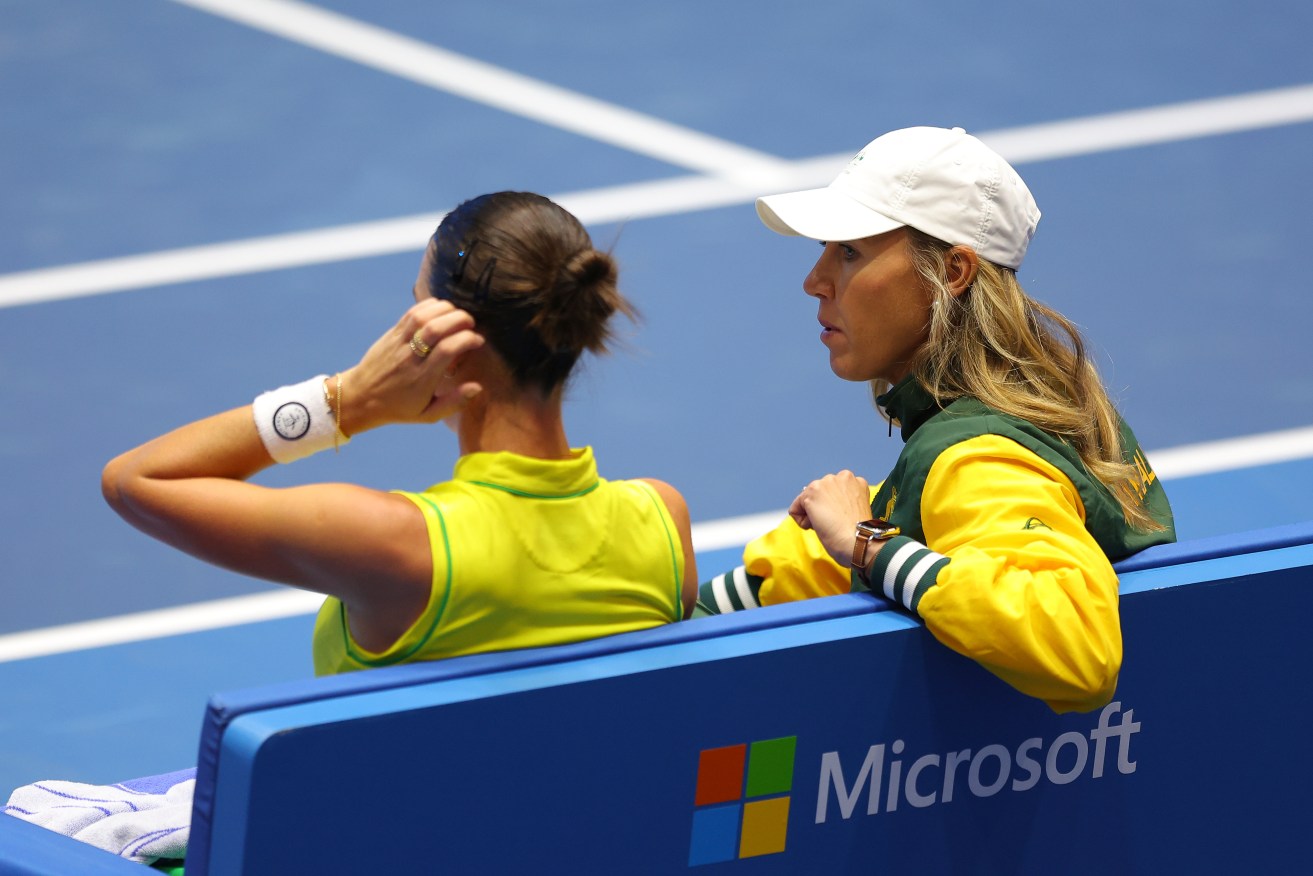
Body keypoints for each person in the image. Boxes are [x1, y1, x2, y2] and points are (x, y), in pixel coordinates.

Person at [102, 190, 697, 678]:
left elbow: (135, 480)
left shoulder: (390, 543)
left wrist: (350, 401)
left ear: (447, 343)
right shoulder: (662, 522)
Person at [697, 126, 1174, 714]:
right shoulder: (1047, 406)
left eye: (849, 251)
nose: (814, 280)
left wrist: (867, 543)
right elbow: (949, 521)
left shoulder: (978, 459)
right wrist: (697, 616)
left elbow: (1078, 648)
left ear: (952, 272)